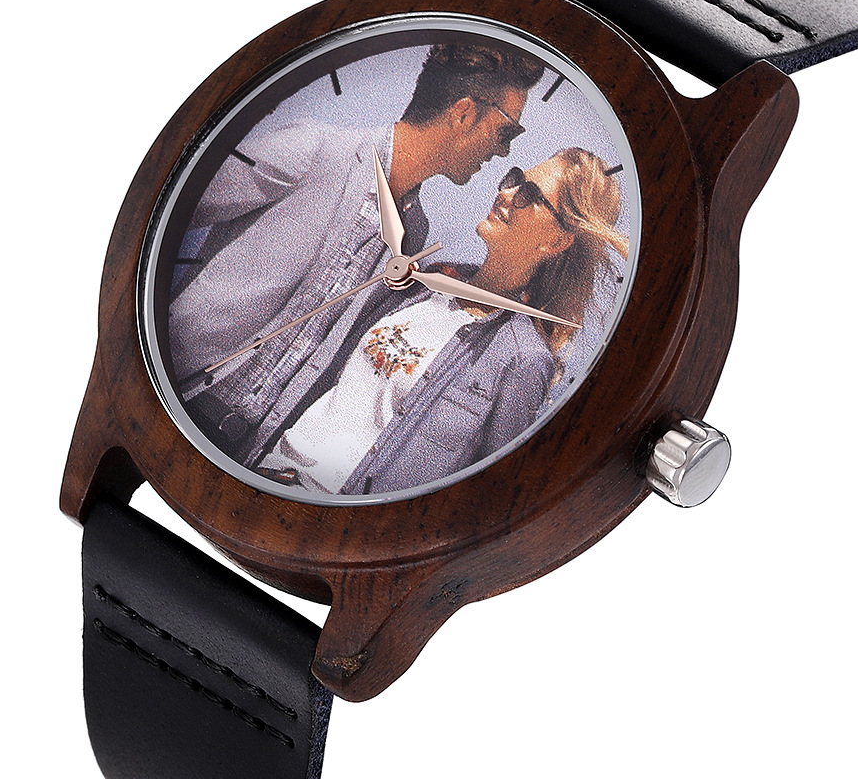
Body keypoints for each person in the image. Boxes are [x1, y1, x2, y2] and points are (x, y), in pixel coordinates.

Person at [170, 43, 545, 446]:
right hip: (174, 393)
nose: (504, 150)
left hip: (245, 450)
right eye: (507, 131)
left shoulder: (413, 233)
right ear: (464, 113)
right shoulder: (316, 150)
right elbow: (166, 203)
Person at [242, 148, 630, 496]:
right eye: (514, 179)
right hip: (268, 471)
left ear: (557, 241)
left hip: (333, 515)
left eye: (529, 193)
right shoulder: (424, 282)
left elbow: (488, 495)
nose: (506, 193)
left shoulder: (524, 359)